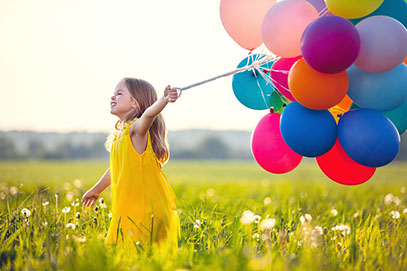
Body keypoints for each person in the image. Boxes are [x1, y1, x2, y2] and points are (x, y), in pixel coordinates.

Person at [81, 77, 181, 255]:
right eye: (113, 93)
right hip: (127, 207)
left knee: (142, 255)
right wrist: (96, 190)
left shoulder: (136, 131)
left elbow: (149, 114)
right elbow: (116, 168)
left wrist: (164, 100)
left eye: (119, 94)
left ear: (135, 103)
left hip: (145, 209)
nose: (113, 97)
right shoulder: (120, 135)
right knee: (128, 254)